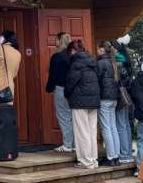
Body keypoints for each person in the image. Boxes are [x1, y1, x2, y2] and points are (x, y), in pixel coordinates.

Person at [64, 40, 101, 169]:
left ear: (73, 51)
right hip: (94, 100)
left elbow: (70, 83)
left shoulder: (76, 63)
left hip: (79, 101)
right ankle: (93, 160)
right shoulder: (92, 61)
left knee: (82, 132)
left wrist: (67, 94)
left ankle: (86, 161)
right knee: (91, 131)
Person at [45, 31, 74, 153]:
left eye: (56, 39)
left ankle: (67, 145)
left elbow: (53, 75)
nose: (54, 42)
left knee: (63, 116)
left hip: (61, 89)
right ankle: (75, 144)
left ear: (59, 41)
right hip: (74, 90)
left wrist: (49, 88)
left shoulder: (57, 57)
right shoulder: (73, 55)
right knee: (73, 117)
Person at [96, 42, 121, 165]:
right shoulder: (113, 62)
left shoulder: (101, 63)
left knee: (106, 128)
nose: (97, 51)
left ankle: (110, 157)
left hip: (104, 98)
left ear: (101, 50)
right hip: (113, 98)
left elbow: (96, 80)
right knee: (113, 127)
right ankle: (116, 156)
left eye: (98, 49)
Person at [113, 41, 135, 164]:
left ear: (115, 49)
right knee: (125, 125)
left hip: (120, 97)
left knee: (121, 125)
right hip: (127, 96)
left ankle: (124, 154)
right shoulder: (125, 60)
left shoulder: (118, 62)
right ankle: (127, 152)